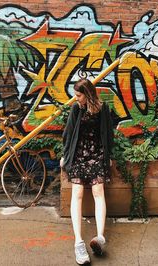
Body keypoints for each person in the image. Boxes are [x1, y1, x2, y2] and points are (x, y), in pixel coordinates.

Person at [61, 78, 114, 265]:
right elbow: (68, 134)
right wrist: (65, 156)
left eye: (78, 95)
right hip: (78, 155)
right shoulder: (76, 109)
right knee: (78, 194)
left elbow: (108, 134)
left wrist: (108, 155)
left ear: (88, 94)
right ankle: (78, 242)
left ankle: (99, 238)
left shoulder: (103, 109)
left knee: (99, 193)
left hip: (97, 155)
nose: (75, 98)